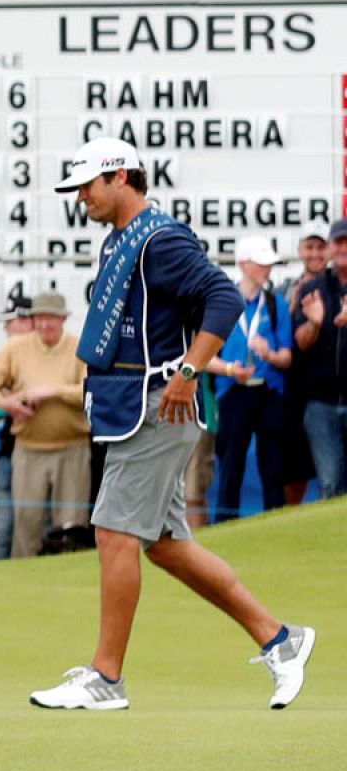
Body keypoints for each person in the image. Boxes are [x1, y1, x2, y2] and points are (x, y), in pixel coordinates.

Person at [30, 136, 313, 711]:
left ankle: (106, 678)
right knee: (165, 547)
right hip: (137, 403)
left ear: (121, 178)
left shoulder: (159, 239)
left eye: (88, 184)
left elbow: (223, 300)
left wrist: (189, 371)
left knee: (113, 532)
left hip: (158, 403)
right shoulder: (123, 241)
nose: (81, 196)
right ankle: (281, 640)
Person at [0, 292, 89, 558]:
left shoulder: (80, 347)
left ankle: (69, 583)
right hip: (28, 449)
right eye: (41, 318)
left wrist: (54, 391)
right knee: (26, 526)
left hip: (73, 449)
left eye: (53, 319)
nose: (46, 325)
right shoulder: (15, 349)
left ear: (63, 320)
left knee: (70, 526)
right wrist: (7, 403)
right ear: (33, 319)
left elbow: (92, 390)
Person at [212, 236, 292, 520]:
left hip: (269, 392)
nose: (267, 269)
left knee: (273, 470)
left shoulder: (276, 304)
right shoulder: (221, 303)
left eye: (269, 264)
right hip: (233, 393)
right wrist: (232, 370)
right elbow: (205, 358)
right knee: (230, 468)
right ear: (243, 264)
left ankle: (277, 530)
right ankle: (224, 530)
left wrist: (268, 355)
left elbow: (287, 357)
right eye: (261, 263)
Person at [291, 217, 347, 499]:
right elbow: (300, 343)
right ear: (331, 249)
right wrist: (314, 323)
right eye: (338, 242)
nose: (343, 248)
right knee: (330, 484)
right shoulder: (315, 288)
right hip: (321, 403)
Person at [0, 295, 34, 559]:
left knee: (35, 524)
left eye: (11, 321)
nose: (6, 329)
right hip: (8, 450)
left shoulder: (47, 354)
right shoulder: (5, 358)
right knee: (5, 527)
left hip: (40, 450)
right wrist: (6, 400)